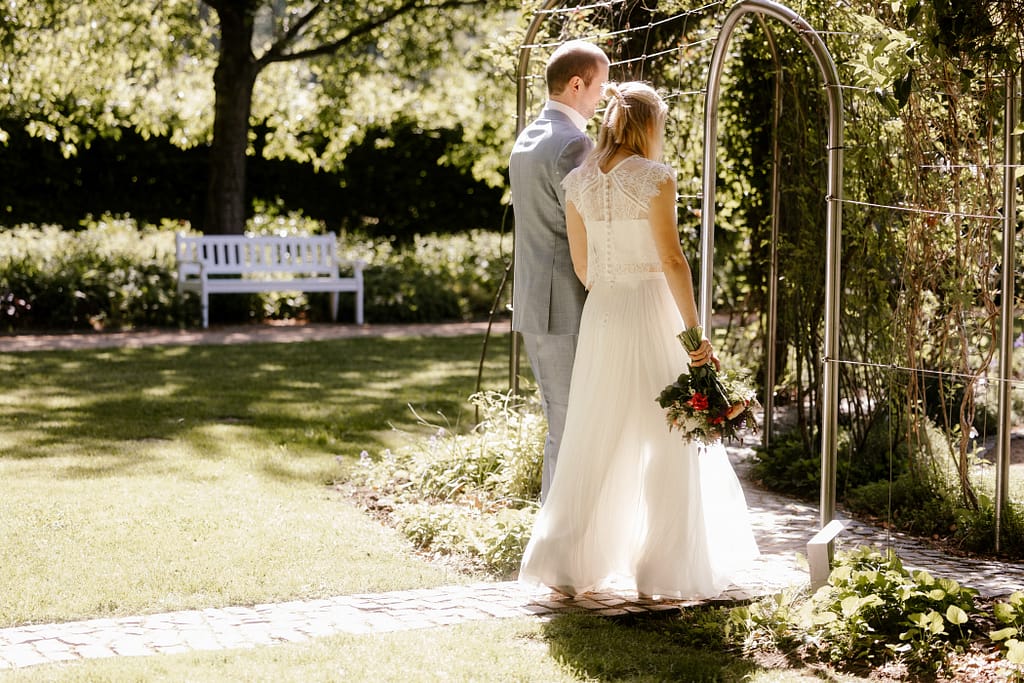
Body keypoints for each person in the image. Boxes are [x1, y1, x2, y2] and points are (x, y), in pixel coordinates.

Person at [518, 82, 758, 600]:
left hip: (603, 314)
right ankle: (662, 573)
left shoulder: (578, 181)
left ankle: (566, 567)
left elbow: (583, 268)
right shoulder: (655, 178)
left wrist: (612, 292)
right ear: (649, 125)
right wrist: (694, 334)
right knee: (666, 436)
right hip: (651, 309)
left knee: (594, 434)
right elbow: (673, 260)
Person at [509, 40, 610, 503]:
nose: (602, 97)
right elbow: (588, 226)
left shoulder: (530, 136)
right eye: (599, 86)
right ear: (576, 84)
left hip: (536, 301)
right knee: (573, 428)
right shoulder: (573, 142)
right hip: (565, 303)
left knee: (564, 422)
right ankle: (557, 550)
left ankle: (559, 543)